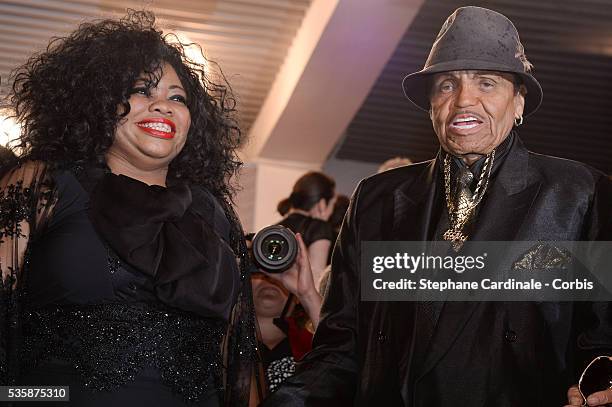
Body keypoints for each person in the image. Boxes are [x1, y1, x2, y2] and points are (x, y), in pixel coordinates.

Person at [264, 6, 612, 407]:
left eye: (487, 83)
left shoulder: (578, 195)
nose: (464, 100)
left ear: (518, 103)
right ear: (431, 104)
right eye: (447, 85)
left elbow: (602, 342)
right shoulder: (375, 200)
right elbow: (341, 350)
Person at [0, 10, 259, 407]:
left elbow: (235, 356)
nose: (163, 106)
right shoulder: (44, 183)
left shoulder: (213, 213)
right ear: (98, 101)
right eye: (142, 90)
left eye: (177, 97)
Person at [248, 233, 321, 394]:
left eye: (277, 271)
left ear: (295, 300)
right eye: (258, 272)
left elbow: (344, 355)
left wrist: (307, 294)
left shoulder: (313, 343)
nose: (270, 279)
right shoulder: (220, 342)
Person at [276, 171, 336, 288]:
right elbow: (315, 281)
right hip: (300, 303)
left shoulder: (273, 229)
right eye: (332, 204)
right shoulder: (320, 228)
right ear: (322, 204)